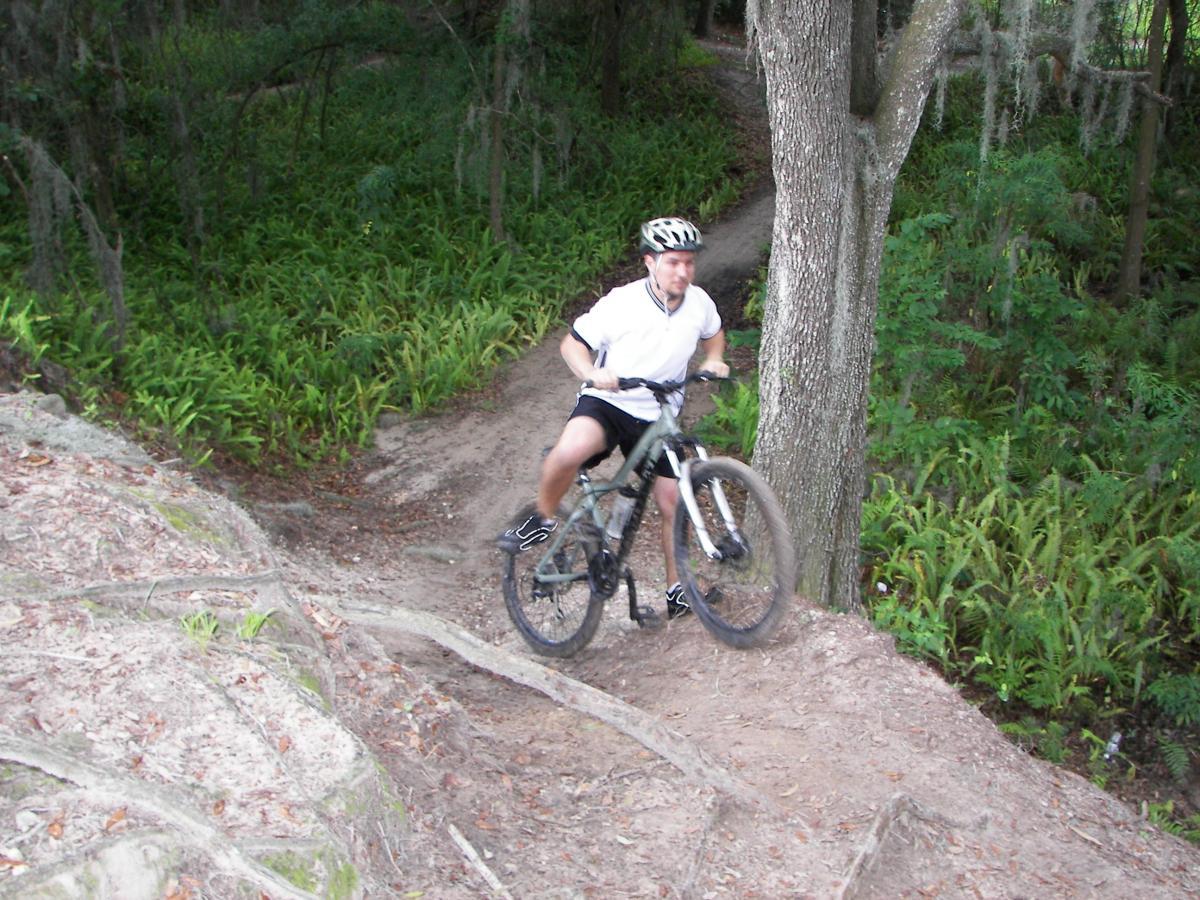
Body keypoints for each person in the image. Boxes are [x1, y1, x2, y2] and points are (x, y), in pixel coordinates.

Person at [497, 216, 729, 619]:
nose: (683, 271)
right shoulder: (621, 303)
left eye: (689, 262)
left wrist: (714, 358)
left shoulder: (699, 302)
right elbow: (573, 344)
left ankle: (677, 591)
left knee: (673, 500)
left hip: (660, 411)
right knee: (570, 451)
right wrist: (591, 374)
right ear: (649, 262)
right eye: (673, 262)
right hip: (610, 402)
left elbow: (714, 332)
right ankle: (542, 516)